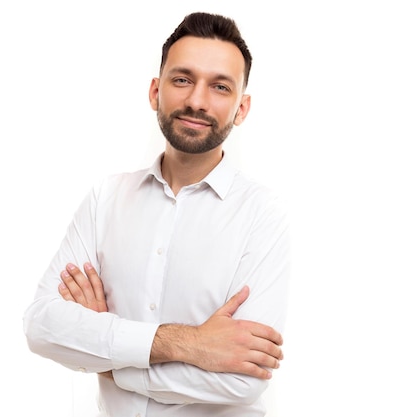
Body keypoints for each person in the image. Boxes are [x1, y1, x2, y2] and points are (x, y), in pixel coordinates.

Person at [23, 11, 291, 416]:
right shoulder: (105, 199)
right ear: (155, 91)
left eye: (220, 86)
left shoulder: (262, 215)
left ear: (241, 108)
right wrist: (191, 345)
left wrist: (111, 355)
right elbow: (42, 326)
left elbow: (243, 380)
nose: (197, 101)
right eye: (182, 79)